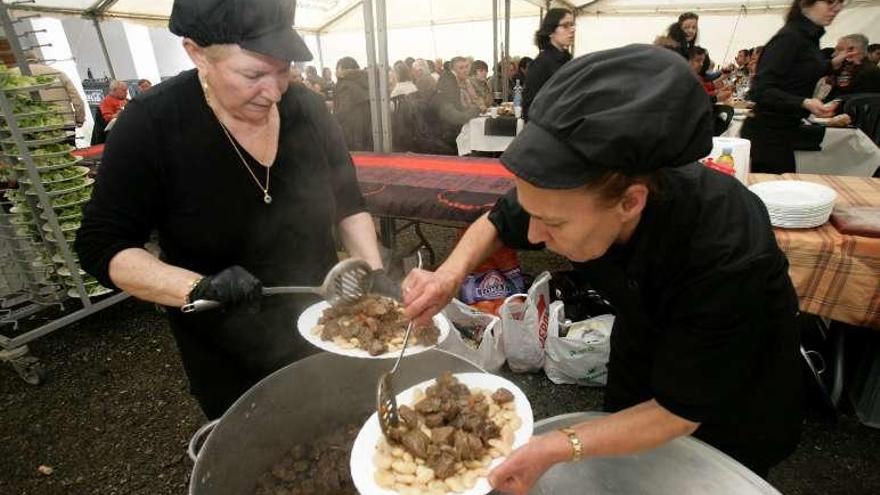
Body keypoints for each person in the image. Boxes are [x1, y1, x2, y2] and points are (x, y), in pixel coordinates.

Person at [403, 45, 802, 492]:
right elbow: (498, 220)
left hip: (732, 391)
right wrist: (448, 275)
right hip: (640, 344)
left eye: (552, 223)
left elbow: (678, 412)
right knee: (624, 469)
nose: (533, 236)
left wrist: (554, 446)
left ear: (631, 202)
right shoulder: (566, 187)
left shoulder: (725, 250)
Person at [75, 0, 391, 420]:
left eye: (283, 70)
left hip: (330, 329)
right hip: (227, 352)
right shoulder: (152, 124)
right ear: (197, 54)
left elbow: (348, 203)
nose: (274, 91)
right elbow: (102, 245)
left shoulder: (308, 109)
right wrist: (195, 287)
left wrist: (371, 268)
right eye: (253, 74)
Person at [743, 0, 849, 174]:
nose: (836, 8)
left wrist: (831, 64)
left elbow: (801, 69)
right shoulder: (790, 37)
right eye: (830, 2)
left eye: (840, 3)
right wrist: (804, 102)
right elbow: (760, 90)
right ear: (805, 3)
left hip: (783, 132)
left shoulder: (808, 37)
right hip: (767, 135)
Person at [523, 8, 574, 120]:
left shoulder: (567, 60)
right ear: (551, 31)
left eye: (572, 25)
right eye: (565, 26)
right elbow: (529, 109)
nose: (572, 29)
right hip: (548, 131)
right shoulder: (541, 64)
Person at [25, 51, 86, 128]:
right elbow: (77, 101)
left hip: (35, 126)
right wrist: (79, 120)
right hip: (65, 122)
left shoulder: (16, 77)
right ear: (37, 59)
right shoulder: (58, 73)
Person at [433, 56, 482, 147]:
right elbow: (455, 117)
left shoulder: (463, 82)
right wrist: (475, 110)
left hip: (455, 130)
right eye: (461, 68)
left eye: (466, 67)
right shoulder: (448, 83)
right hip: (448, 136)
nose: (465, 70)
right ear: (453, 71)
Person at [824, 34, 880, 101]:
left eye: (839, 49)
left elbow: (866, 100)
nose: (833, 54)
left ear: (852, 50)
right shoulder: (844, 66)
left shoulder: (870, 71)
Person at [334, 56, 373, 151]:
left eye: (337, 68)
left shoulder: (344, 85)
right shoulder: (367, 81)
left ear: (342, 69)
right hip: (368, 131)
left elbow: (342, 112)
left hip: (351, 135)